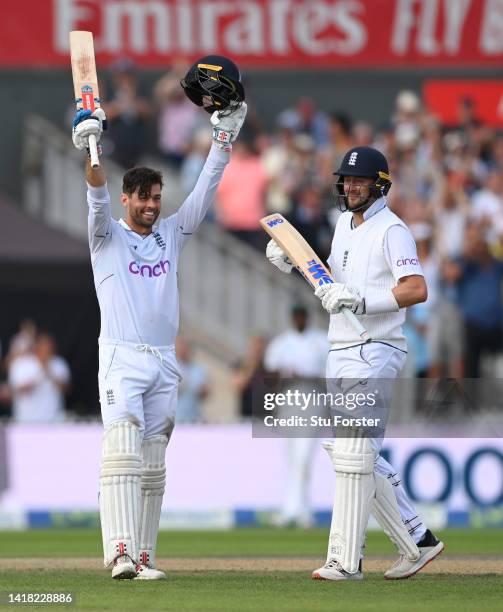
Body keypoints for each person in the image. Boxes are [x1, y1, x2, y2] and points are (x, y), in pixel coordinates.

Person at [71, 55, 247, 580]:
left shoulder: (172, 231)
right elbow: (95, 194)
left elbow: (206, 190)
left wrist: (223, 140)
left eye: (155, 198)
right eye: (142, 198)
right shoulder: (105, 237)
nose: (151, 205)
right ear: (128, 198)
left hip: (164, 362)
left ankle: (143, 555)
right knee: (121, 452)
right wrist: (89, 147)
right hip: (121, 357)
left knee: (151, 468)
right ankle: (119, 552)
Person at [266, 146, 444, 581]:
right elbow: (335, 280)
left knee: (353, 451)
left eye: (359, 181)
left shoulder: (393, 229)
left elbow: (416, 288)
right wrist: (296, 264)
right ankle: (417, 539)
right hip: (340, 347)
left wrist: (365, 302)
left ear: (379, 185)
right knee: (359, 454)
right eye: (346, 181)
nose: (350, 187)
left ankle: (346, 561)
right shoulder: (345, 223)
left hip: (375, 345)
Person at [264, 305, 327, 527]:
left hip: (312, 399)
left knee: (304, 456)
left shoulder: (320, 341)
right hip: (289, 399)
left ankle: (295, 510)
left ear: (307, 318)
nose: (300, 320)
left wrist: (307, 375)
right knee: (292, 457)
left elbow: (330, 376)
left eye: (303, 316)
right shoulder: (282, 343)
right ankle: (298, 509)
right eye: (297, 316)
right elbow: (270, 374)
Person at [8, 333, 70, 423]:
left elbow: (66, 389)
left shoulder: (59, 363)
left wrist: (49, 372)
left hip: (54, 421)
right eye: (43, 348)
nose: (46, 351)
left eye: (49, 348)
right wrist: (39, 374)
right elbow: (16, 391)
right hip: (25, 421)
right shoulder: (21, 364)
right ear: (37, 348)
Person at [175, 337, 210, 423]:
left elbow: (205, 394)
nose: (184, 350)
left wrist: (203, 391)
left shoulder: (199, 370)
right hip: (176, 418)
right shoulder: (173, 368)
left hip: (194, 417)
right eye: (181, 347)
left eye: (186, 347)